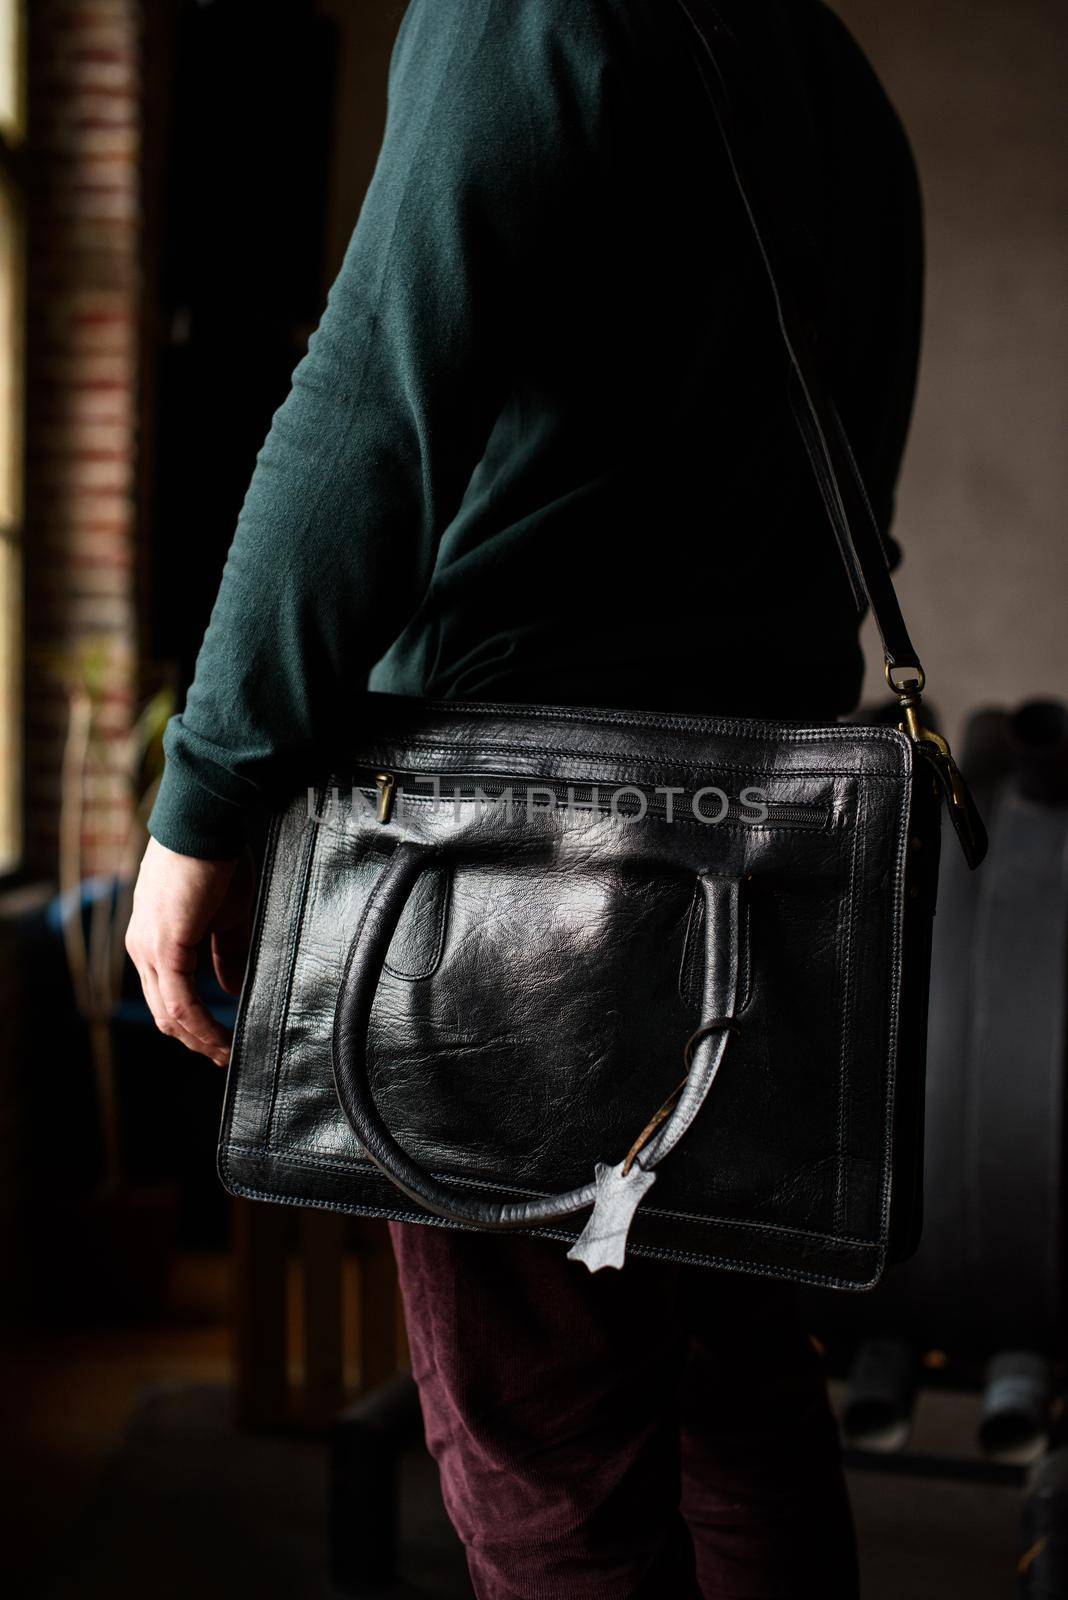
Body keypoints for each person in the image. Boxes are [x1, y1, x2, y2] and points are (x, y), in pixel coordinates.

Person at [127, 0, 922, 1593]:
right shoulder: (818, 58)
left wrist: (205, 799)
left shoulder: (527, 12)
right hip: (758, 853)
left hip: (513, 854)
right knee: (734, 1410)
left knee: (551, 1462)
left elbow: (368, 403)